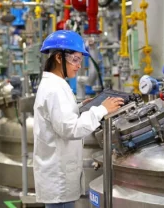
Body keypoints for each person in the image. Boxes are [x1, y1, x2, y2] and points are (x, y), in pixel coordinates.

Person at [33, 30, 124, 208]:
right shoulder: (54, 89)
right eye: (74, 59)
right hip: (58, 178)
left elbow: (59, 118)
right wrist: (101, 110)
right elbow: (70, 129)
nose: (78, 66)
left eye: (80, 60)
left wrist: (80, 106)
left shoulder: (55, 84)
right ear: (59, 58)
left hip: (58, 174)